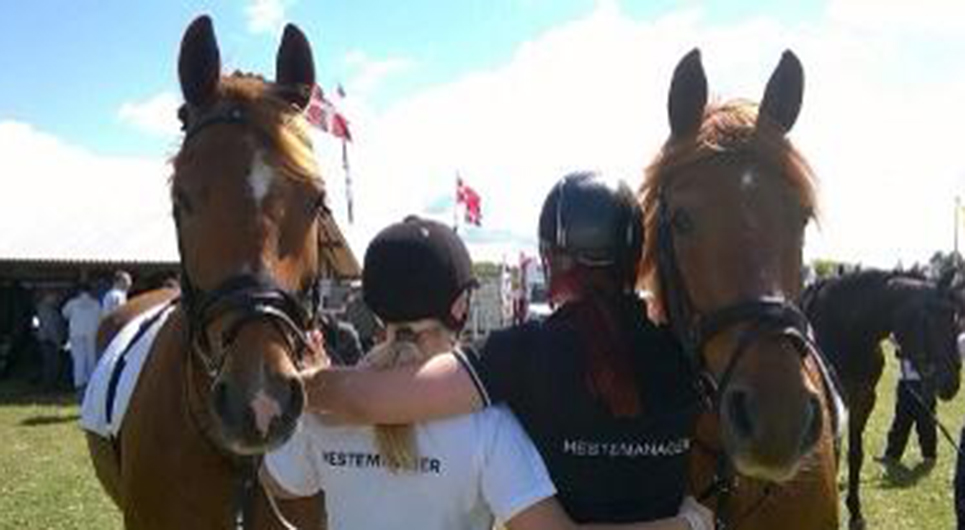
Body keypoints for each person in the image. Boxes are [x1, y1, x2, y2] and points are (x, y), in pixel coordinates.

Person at [299, 172, 709, 526]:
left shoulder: (524, 352)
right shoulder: (685, 354)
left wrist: (304, 381)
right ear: (637, 257)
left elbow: (368, 402)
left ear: (550, 257)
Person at [876, 341, 937, 466]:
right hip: (905, 382)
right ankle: (892, 454)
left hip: (924, 383)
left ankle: (929, 456)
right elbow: (897, 343)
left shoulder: (929, 331)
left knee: (925, 422)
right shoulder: (907, 332)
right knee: (901, 420)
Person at [61, 283, 102, 400]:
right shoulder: (96, 303)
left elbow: (64, 314)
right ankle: (92, 390)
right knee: (91, 361)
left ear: (79, 292)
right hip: (92, 335)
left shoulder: (72, 303)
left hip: (76, 335)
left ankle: (79, 391)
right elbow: (101, 317)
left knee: (78, 362)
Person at [34, 291, 65, 390]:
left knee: (49, 363)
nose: (56, 300)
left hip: (46, 339)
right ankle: (49, 386)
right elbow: (51, 327)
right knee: (52, 364)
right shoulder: (47, 310)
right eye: (54, 298)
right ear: (47, 298)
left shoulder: (47, 309)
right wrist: (58, 342)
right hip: (49, 340)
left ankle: (49, 385)